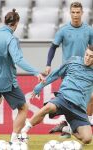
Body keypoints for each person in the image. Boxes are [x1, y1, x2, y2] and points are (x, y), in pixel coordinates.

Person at [0, 9, 44, 145]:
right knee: (23, 108)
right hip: (7, 81)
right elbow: (18, 59)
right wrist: (35, 72)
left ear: (4, 21)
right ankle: (14, 139)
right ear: (16, 24)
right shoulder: (11, 39)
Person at [21, 46, 93, 144]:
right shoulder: (73, 61)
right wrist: (39, 86)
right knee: (48, 107)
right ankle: (23, 132)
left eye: (91, 57)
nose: (87, 58)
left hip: (79, 108)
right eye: (86, 55)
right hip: (64, 99)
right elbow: (56, 73)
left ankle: (66, 128)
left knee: (87, 139)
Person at [43, 1, 93, 136]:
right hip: (69, 70)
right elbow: (53, 47)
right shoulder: (63, 30)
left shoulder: (89, 30)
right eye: (73, 12)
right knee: (69, 99)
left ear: (82, 13)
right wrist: (48, 64)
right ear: (70, 13)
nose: (75, 15)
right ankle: (72, 127)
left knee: (89, 98)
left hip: (86, 70)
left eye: (78, 12)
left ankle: (72, 126)